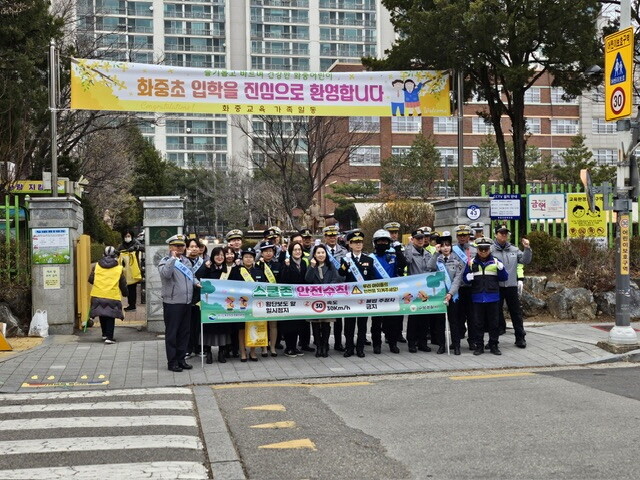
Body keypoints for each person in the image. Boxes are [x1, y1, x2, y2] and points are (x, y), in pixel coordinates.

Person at [463, 238, 508, 356]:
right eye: (481, 249)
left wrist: (501, 269)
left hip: (492, 297)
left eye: (486, 249)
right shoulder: (471, 262)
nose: (483, 251)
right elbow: (465, 279)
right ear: (477, 249)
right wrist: (467, 278)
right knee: (478, 323)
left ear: (489, 249)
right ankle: (479, 346)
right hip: (477, 297)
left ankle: (494, 345)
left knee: (494, 323)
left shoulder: (496, 261)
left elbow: (504, 278)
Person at [491, 224, 532, 348]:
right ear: (495, 234)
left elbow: (525, 260)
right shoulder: (490, 250)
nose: (504, 235)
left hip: (511, 285)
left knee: (516, 313)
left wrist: (527, 248)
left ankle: (520, 338)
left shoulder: (514, 249)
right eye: (501, 232)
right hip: (496, 286)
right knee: (494, 314)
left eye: (506, 233)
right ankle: (493, 341)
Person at [158, 234, 195, 372]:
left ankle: (181, 359)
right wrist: (173, 259)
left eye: (181, 246)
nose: (179, 248)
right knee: (172, 334)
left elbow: (192, 276)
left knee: (184, 333)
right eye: (176, 246)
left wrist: (197, 283)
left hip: (187, 302)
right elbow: (166, 274)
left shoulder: (186, 261)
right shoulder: (165, 261)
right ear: (170, 247)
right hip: (172, 303)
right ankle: (172, 362)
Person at [339, 230, 375, 358]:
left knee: (362, 324)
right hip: (350, 297)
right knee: (349, 324)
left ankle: (360, 348)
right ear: (350, 244)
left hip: (363, 297)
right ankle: (349, 348)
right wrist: (345, 265)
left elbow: (371, 278)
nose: (358, 244)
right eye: (355, 242)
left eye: (360, 242)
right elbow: (341, 274)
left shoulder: (369, 260)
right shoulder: (345, 259)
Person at [370, 229, 407, 354]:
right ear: (375, 243)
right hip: (376, 293)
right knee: (376, 322)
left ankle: (393, 344)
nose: (382, 243)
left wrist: (398, 250)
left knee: (392, 321)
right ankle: (377, 345)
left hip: (391, 293)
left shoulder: (393, 256)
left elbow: (403, 264)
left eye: (385, 241)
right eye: (380, 241)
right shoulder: (370, 258)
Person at [427, 231, 465, 355]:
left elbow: (457, 280)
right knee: (440, 323)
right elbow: (429, 267)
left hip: (453, 296)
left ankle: (456, 345)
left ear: (451, 246)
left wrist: (450, 294)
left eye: (447, 245)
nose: (445, 248)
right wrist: (435, 253)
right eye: (442, 246)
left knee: (454, 322)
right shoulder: (437, 260)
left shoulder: (456, 261)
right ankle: (441, 345)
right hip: (440, 296)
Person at [229, 247, 266, 362]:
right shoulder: (236, 270)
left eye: (250, 257)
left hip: (255, 305)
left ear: (254, 259)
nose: (248, 259)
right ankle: (243, 352)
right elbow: (230, 286)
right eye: (246, 257)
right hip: (241, 305)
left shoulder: (259, 271)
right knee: (241, 329)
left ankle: (253, 351)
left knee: (253, 327)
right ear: (242, 258)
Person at [197, 246, 232, 364]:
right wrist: (205, 268)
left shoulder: (228, 270)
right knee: (208, 327)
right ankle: (208, 352)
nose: (220, 257)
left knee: (223, 328)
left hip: (224, 305)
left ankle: (222, 351)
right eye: (217, 255)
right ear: (212, 256)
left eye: (222, 255)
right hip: (209, 304)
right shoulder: (207, 268)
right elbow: (199, 279)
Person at [305, 244, 341, 357]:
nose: (321, 255)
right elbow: (307, 280)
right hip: (314, 300)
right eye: (318, 253)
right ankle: (318, 347)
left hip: (327, 299)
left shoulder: (330, 266)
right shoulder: (311, 266)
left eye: (323, 252)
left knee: (326, 324)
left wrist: (327, 289)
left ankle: (325, 346)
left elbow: (335, 279)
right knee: (315, 324)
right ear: (314, 255)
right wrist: (311, 267)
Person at [88, 246, 128, 344]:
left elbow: (91, 279)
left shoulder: (96, 266)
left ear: (103, 255)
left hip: (98, 294)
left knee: (102, 313)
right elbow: (122, 284)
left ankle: (104, 334)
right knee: (110, 316)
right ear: (115, 256)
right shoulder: (119, 268)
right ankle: (109, 337)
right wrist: (125, 293)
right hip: (112, 295)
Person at [403, 228, 433, 353]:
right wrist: (409, 246)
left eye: (422, 238)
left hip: (425, 289)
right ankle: (412, 342)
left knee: (425, 317)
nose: (421, 240)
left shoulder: (427, 253)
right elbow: (407, 261)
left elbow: (432, 268)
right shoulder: (409, 251)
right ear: (413, 239)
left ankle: (422, 342)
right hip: (413, 289)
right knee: (414, 316)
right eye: (418, 238)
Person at [278, 241, 308, 357]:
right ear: (291, 251)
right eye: (295, 250)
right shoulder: (286, 262)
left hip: (300, 299)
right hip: (289, 298)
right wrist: (286, 267)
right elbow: (282, 280)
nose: (297, 252)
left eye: (299, 249)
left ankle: (295, 347)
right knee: (289, 324)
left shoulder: (304, 263)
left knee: (298, 323)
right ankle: (289, 347)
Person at [323, 225, 348, 351]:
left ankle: (338, 343)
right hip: (325, 288)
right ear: (325, 237)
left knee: (338, 319)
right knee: (326, 319)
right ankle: (325, 343)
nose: (332, 238)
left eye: (334, 235)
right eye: (329, 236)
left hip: (340, 288)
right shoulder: (320, 250)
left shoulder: (344, 251)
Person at [453, 225, 477, 349]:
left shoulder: (474, 250)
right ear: (457, 236)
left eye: (464, 235)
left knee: (472, 316)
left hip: (471, 287)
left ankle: (472, 341)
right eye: (460, 235)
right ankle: (456, 341)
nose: (462, 237)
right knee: (457, 316)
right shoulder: (452, 250)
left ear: (468, 236)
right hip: (457, 288)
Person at [256, 240, 281, 357]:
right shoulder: (257, 266)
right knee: (263, 324)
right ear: (261, 253)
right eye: (265, 251)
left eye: (270, 251)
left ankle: (273, 347)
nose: (268, 253)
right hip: (261, 299)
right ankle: (264, 347)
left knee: (273, 325)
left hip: (274, 298)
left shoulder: (278, 265)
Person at [383, 221, 407, 344]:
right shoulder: (383, 246)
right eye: (391, 232)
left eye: (395, 232)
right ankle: (388, 334)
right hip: (387, 281)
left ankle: (399, 333)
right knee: (388, 310)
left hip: (399, 281)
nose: (394, 235)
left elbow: (404, 262)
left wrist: (398, 250)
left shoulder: (400, 246)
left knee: (400, 309)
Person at [185, 236, 205, 359]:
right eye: (191, 246)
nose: (194, 249)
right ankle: (187, 349)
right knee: (187, 325)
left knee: (198, 324)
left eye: (196, 247)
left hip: (200, 298)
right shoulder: (182, 262)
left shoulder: (204, 263)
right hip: (186, 298)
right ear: (187, 248)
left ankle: (198, 348)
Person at [118, 230, 144, 311]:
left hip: (134, 269)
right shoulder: (121, 246)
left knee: (132, 288)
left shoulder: (135, 243)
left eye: (129, 236)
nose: (127, 238)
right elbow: (117, 252)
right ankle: (130, 304)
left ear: (132, 236)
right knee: (127, 287)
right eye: (126, 236)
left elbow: (143, 248)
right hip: (125, 270)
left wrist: (136, 248)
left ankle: (132, 305)